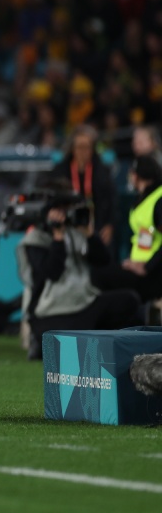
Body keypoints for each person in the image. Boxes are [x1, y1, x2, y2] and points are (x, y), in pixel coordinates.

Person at [16, 190, 141, 360]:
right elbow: (53, 272)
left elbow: (103, 260)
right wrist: (58, 238)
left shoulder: (75, 233)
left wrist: (89, 234)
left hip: (84, 302)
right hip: (51, 311)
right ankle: (42, 343)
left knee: (129, 301)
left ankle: (119, 349)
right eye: (62, 210)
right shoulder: (35, 240)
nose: (67, 215)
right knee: (70, 336)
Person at [93, 156, 162, 303]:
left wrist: (147, 267)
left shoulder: (159, 200)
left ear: (136, 175)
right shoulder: (145, 196)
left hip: (154, 272)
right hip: (141, 264)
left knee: (99, 277)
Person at [49, 125, 114, 246]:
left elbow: (112, 201)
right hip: (67, 229)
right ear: (72, 149)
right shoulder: (60, 172)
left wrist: (109, 225)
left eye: (87, 147)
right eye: (79, 147)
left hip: (97, 229)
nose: (83, 151)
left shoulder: (102, 172)